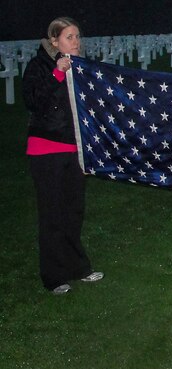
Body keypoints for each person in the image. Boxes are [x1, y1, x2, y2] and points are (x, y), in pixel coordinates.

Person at [23, 17, 103, 295]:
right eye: (70, 37)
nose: (76, 42)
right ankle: (54, 276)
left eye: (78, 37)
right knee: (52, 213)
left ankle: (78, 267)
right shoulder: (40, 66)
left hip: (75, 149)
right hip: (46, 149)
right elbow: (33, 100)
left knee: (74, 211)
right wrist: (57, 73)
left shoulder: (81, 68)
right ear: (54, 41)